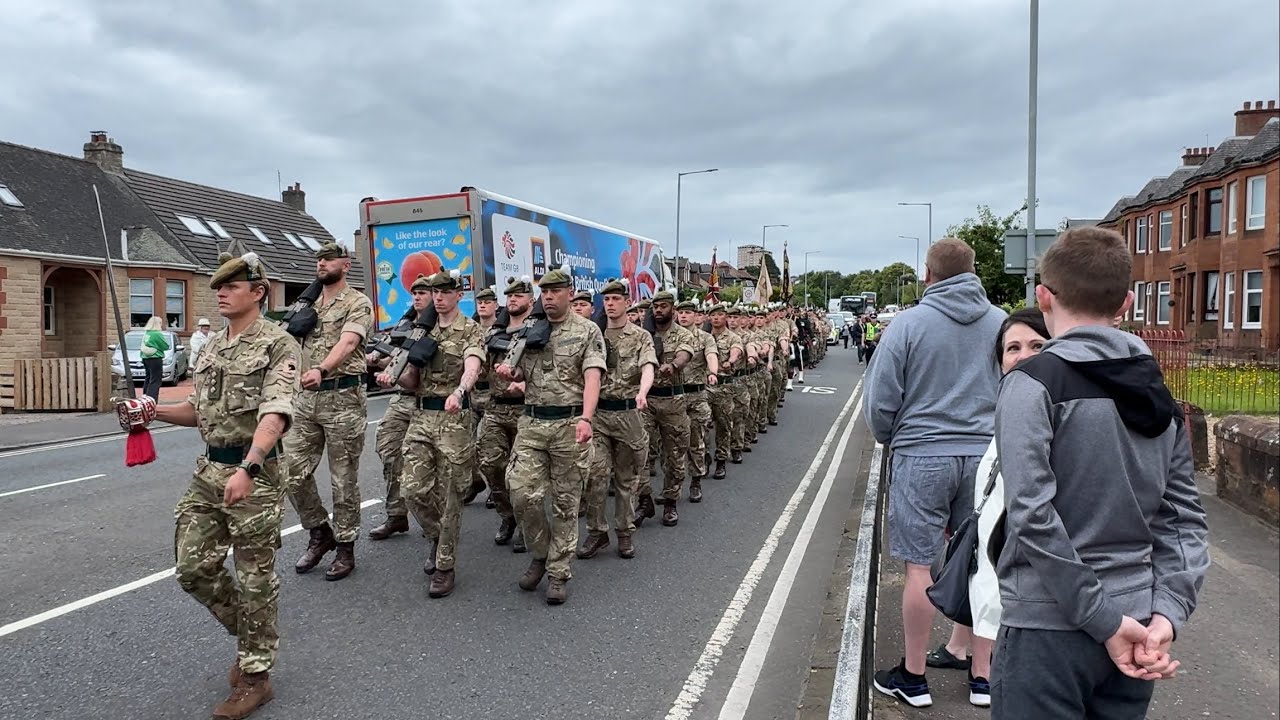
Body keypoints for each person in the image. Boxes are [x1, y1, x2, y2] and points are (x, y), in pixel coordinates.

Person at [991, 226, 1209, 718]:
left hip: (1048, 626)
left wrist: (1101, 619)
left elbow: (1031, 514)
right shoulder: (1156, 390)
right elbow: (1182, 520)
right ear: (1128, 303)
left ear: (1043, 297)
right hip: (1137, 625)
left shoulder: (1031, 385)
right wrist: (1166, 615)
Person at [130, 251, 299, 719]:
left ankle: (256, 675)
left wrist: (249, 466)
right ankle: (251, 640)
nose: (220, 293)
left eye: (231, 286)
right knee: (191, 569)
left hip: (256, 475)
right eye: (217, 287)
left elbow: (276, 413)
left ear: (258, 292)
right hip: (209, 474)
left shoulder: (278, 345)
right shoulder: (210, 347)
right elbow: (200, 414)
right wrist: (152, 412)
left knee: (254, 578)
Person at [864, 237, 1006, 709]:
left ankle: (914, 676)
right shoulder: (1003, 323)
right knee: (984, 561)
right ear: (974, 270)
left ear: (928, 274)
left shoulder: (907, 325)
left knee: (919, 565)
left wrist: (893, 437)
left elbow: (881, 400)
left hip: (923, 453)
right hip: (985, 455)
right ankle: (982, 677)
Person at [926, 308, 1051, 708]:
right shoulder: (1010, 398)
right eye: (1012, 348)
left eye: (1037, 344)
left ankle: (983, 674)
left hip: (1020, 523)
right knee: (982, 567)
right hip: (994, 508)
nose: (1023, 355)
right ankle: (966, 654)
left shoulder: (1048, 401)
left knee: (991, 575)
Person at [496, 267, 606, 604]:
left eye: (556, 291)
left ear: (569, 293)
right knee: (521, 493)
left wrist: (587, 418)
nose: (549, 297)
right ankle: (541, 553)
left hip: (569, 425)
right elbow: (516, 369)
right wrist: (509, 372)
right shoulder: (530, 330)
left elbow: (592, 377)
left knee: (565, 503)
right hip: (531, 423)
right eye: (545, 292)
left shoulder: (587, 331)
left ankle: (558, 572)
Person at [379, 270, 484, 598]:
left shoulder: (470, 329)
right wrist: (393, 377)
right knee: (412, 490)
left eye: (444, 292)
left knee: (452, 493)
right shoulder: (420, 330)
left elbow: (472, 366)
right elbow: (411, 379)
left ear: (457, 295)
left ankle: (444, 564)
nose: (437, 297)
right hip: (422, 415)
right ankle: (439, 538)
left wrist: (461, 391)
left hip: (454, 418)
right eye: (433, 293)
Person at [284, 242, 374, 581]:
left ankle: (346, 546)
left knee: (343, 479)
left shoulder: (357, 302)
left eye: (328, 258)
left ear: (346, 264)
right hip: (305, 401)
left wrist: (321, 368)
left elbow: (348, 342)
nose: (321, 263)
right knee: (291, 471)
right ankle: (320, 531)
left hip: (342, 397)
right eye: (318, 259)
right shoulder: (305, 303)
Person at [578, 278, 654, 560]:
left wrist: (643, 392)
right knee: (596, 476)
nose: (609, 304)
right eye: (606, 300)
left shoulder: (640, 336)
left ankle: (624, 531)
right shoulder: (593, 335)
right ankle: (597, 532)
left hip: (628, 415)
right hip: (599, 416)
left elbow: (648, 366)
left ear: (626, 302)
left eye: (615, 300)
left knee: (625, 480)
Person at [365, 283, 434, 541]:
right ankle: (396, 515)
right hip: (402, 399)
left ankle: (438, 526)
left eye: (423, 293)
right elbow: (394, 359)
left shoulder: (441, 326)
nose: (417, 297)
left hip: (429, 401)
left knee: (429, 466)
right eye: (414, 293)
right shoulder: (403, 326)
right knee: (389, 450)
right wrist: (377, 361)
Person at [476, 277, 536, 551]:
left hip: (526, 411)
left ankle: (526, 525)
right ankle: (508, 516)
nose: (513, 299)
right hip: (495, 408)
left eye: (519, 296)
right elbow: (480, 366)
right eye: (509, 296)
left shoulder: (538, 332)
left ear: (530, 301)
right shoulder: (494, 333)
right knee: (490, 465)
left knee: (523, 476)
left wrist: (524, 383)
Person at [635, 291, 696, 527]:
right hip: (646, 402)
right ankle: (644, 499)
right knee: (639, 452)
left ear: (672, 309)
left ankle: (670, 501)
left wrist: (673, 365)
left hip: (673, 403)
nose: (659, 310)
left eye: (663, 306)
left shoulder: (682, 334)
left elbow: (684, 355)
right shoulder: (643, 335)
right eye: (655, 307)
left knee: (674, 455)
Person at [675, 299, 719, 502]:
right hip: (674, 397)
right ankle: (672, 488)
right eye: (680, 312)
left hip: (697, 396)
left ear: (696, 316)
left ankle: (695, 482)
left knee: (695, 441)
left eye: (687, 313)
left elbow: (711, 355)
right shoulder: (669, 337)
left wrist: (713, 371)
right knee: (672, 445)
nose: (683, 316)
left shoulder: (705, 338)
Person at [705, 303, 744, 479]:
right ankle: (704, 459)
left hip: (724, 387)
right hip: (704, 387)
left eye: (720, 315)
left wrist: (731, 360)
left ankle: (721, 460)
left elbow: (737, 350)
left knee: (723, 425)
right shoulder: (703, 336)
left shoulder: (732, 337)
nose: (716, 318)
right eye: (713, 315)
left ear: (725, 317)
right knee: (701, 426)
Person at [140, 316, 169, 400]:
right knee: (155, 380)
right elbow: (165, 346)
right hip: (155, 358)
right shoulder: (157, 334)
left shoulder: (147, 333)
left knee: (148, 377)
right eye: (160, 323)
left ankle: (145, 396)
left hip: (145, 358)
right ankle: (152, 399)